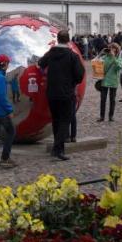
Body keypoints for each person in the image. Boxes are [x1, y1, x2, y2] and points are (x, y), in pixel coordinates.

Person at [38, 31, 84, 161]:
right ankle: (57, 149)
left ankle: (59, 149)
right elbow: (80, 75)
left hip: (52, 92)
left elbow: (41, 63)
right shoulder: (72, 56)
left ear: (57, 40)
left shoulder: (51, 53)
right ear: (68, 40)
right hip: (66, 93)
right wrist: (72, 82)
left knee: (56, 120)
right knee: (66, 120)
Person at [98, 43, 122, 121]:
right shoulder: (104, 57)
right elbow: (95, 63)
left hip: (113, 81)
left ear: (116, 50)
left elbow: (119, 67)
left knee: (112, 99)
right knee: (103, 99)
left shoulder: (118, 58)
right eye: (110, 48)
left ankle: (111, 116)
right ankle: (102, 116)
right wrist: (100, 54)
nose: (111, 50)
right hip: (104, 81)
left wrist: (113, 57)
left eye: (113, 48)